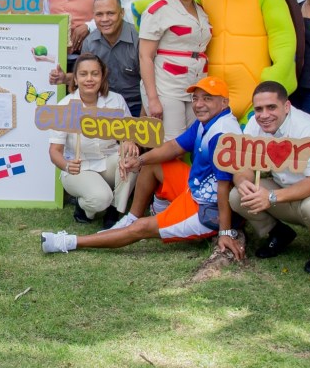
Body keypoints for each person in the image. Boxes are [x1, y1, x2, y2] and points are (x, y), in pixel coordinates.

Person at [39, 77, 241, 256]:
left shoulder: (221, 135)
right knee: (153, 163)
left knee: (141, 228)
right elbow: (174, 146)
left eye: (207, 98)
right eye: (195, 98)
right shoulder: (209, 120)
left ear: (224, 102)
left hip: (206, 209)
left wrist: (224, 232)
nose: (199, 104)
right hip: (195, 189)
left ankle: (69, 242)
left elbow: (223, 188)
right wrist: (140, 161)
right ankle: (133, 216)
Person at [230, 81, 310, 260]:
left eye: (271, 107)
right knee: (237, 195)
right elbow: (244, 166)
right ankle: (278, 233)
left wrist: (271, 197)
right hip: (283, 190)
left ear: (287, 106)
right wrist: (242, 182)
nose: (264, 115)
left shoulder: (307, 129)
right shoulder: (254, 124)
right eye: (259, 109)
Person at [48, 54, 137, 228]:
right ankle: (84, 207)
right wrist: (67, 165)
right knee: (100, 199)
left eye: (95, 74)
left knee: (132, 161)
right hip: (79, 166)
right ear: (75, 78)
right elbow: (54, 151)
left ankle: (115, 210)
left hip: (109, 160)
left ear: (102, 77)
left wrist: (129, 141)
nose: (89, 79)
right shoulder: (64, 106)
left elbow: (129, 133)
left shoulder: (116, 100)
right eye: (83, 74)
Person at [138, 0, 214, 142]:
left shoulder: (202, 11)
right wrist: (152, 99)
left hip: (195, 85)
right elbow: (145, 56)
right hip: (166, 86)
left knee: (190, 140)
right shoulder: (158, 9)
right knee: (172, 142)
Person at [48, 0, 142, 116]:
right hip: (104, 105)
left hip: (137, 105)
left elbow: (150, 83)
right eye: (99, 14)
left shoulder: (139, 39)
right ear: (93, 16)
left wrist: (143, 117)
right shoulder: (90, 42)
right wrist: (64, 78)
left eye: (110, 13)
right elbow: (88, 77)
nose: (105, 19)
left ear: (122, 13)